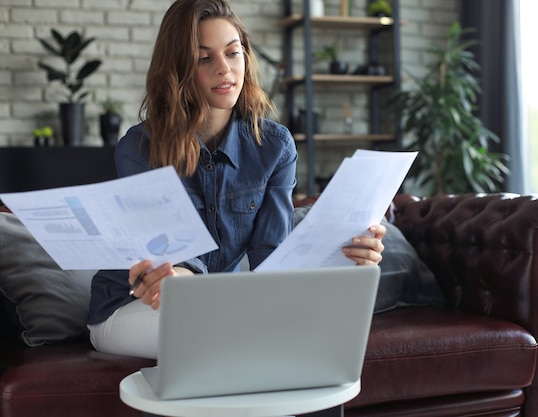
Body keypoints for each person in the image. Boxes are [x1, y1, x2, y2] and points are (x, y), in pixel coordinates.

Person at [87, 0, 386, 360]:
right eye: (204, 58)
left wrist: (345, 258)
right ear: (178, 69)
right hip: (131, 307)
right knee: (222, 332)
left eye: (233, 53)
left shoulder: (274, 145)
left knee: (310, 324)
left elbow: (272, 262)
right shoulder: (139, 147)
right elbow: (173, 255)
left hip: (213, 305)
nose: (224, 69)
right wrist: (181, 279)